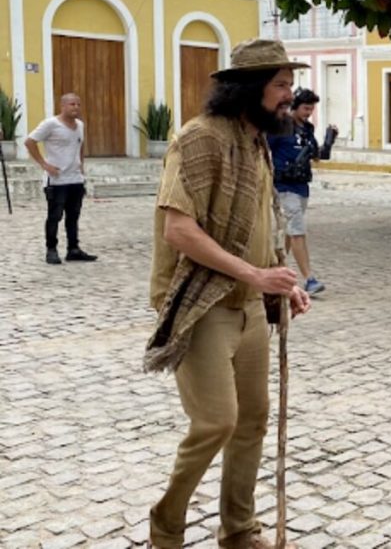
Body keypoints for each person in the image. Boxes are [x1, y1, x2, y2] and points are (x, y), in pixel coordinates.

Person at [145, 39, 311, 549]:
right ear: (249, 87)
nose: (290, 94)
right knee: (217, 421)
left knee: (253, 421)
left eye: (288, 84)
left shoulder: (255, 140)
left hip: (252, 309)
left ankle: (239, 530)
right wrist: (255, 276)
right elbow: (179, 230)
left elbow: (263, 225)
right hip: (202, 305)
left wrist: (283, 282)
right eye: (280, 85)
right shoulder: (199, 140)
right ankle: (166, 527)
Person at [267, 87, 337, 296]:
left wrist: (330, 140)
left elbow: (318, 155)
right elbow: (262, 148)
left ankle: (276, 270)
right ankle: (309, 279)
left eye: (311, 109)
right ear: (295, 106)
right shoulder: (279, 126)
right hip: (284, 186)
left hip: (301, 186)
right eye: (306, 108)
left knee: (289, 232)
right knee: (297, 231)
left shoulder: (307, 129)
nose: (308, 112)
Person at [24, 92, 98, 264]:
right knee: (55, 216)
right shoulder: (51, 124)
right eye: (72, 104)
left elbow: (80, 144)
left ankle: (73, 249)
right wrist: (44, 164)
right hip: (56, 180)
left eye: (78, 104)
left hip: (75, 179)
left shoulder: (80, 125)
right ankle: (51, 249)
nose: (76, 108)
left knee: (73, 216)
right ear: (63, 106)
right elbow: (30, 142)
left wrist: (81, 165)